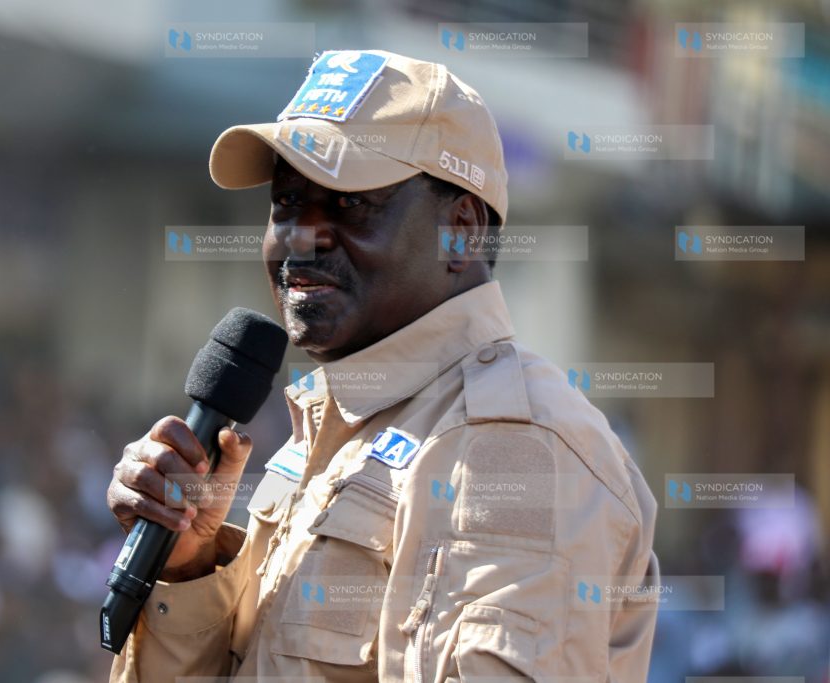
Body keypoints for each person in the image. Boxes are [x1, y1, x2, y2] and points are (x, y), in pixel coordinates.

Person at [107, 49, 659, 682]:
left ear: (461, 230)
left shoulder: (512, 448)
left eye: (350, 205)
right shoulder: (332, 428)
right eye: (287, 202)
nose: (302, 236)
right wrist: (188, 563)